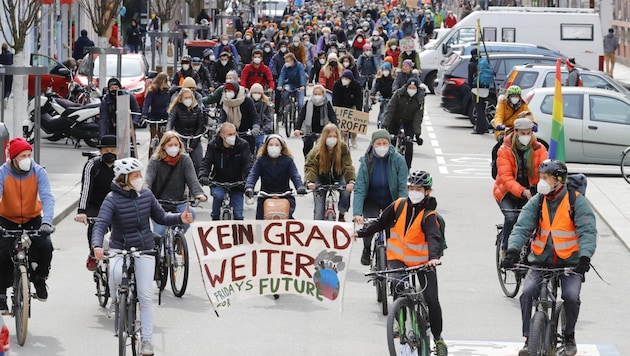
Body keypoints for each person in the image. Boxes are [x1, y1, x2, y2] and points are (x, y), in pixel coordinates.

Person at [92, 157, 193, 356]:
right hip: (119, 248)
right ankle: (116, 302)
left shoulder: (146, 195)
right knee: (113, 273)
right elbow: (101, 224)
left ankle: (147, 341)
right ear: (124, 178)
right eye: (136, 175)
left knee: (145, 296)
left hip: (145, 249)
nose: (140, 178)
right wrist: (96, 245)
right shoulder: (111, 198)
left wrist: (179, 218)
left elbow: (161, 217)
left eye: (140, 174)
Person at [501, 159, 597, 356]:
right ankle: (529, 339)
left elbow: (587, 231)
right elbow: (522, 227)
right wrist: (512, 251)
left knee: (571, 297)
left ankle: (569, 335)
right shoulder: (538, 200)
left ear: (559, 180)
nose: (540, 182)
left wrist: (584, 258)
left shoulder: (576, 201)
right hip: (540, 260)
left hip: (570, 263)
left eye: (545, 178)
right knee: (527, 292)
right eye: (540, 177)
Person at [355, 170, 448, 356]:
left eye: (419, 189)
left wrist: (433, 258)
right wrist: (360, 233)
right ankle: (400, 319)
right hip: (397, 258)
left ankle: (438, 339)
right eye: (411, 188)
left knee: (431, 300)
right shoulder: (398, 205)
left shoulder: (429, 215)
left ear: (427, 191)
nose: (414, 192)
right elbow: (381, 223)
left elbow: (433, 237)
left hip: (424, 262)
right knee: (398, 285)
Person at [0, 138, 55, 312]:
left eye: (29, 155)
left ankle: (40, 279)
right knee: (2, 254)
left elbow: (47, 197)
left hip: (33, 218)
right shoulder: (2, 172)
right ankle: (1, 294)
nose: (27, 158)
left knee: (46, 247)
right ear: (14, 158)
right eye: (23, 155)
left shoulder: (38, 171)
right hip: (7, 218)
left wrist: (47, 221)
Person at [493, 116, 548, 254]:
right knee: (512, 217)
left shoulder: (539, 148)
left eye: (529, 133)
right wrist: (523, 192)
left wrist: (543, 187)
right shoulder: (504, 149)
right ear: (516, 132)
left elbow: (546, 171)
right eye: (523, 133)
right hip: (507, 192)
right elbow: (506, 178)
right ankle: (506, 248)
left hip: (531, 191)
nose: (526, 136)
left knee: (537, 219)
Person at [353, 130, 408, 265]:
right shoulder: (366, 161)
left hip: (392, 200)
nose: (382, 146)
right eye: (378, 143)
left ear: (389, 144)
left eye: (385, 143)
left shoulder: (398, 160)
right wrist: (357, 213)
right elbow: (359, 188)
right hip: (372, 200)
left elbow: (403, 186)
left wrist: (402, 208)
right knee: (369, 227)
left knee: (393, 231)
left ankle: (392, 258)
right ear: (373, 144)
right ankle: (366, 248)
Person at [145, 131, 207, 237]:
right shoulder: (155, 161)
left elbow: (192, 180)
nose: (173, 147)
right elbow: (148, 180)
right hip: (159, 203)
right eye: (170, 145)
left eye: (176, 145)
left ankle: (178, 238)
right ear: (163, 146)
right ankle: (158, 252)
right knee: (159, 233)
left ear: (180, 146)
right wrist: (145, 194)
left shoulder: (185, 159)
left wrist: (199, 194)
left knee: (190, 213)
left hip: (179, 201)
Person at [75, 135, 118, 272]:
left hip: (115, 204)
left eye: (113, 150)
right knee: (94, 228)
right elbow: (86, 188)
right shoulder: (92, 165)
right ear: (100, 151)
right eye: (106, 150)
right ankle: (93, 253)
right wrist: (82, 211)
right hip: (95, 205)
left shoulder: (121, 166)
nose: (109, 153)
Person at [198, 122, 252, 221]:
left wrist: (249, 180)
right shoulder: (213, 145)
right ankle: (215, 219)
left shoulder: (243, 145)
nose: (233, 137)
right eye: (230, 134)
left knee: (238, 216)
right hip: (218, 182)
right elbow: (206, 163)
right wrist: (203, 176)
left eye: (234, 134)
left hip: (237, 184)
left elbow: (248, 164)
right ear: (222, 135)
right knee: (218, 197)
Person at [245, 134, 307, 219]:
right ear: (266, 146)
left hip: (285, 195)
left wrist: (300, 187)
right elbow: (253, 175)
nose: (274, 147)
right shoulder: (261, 161)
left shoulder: (288, 161)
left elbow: (295, 175)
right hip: (265, 196)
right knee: (259, 222)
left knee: (288, 220)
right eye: (271, 145)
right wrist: (249, 187)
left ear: (282, 147)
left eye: (277, 145)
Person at [304, 123, 355, 222]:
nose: (332, 139)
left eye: (335, 136)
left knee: (346, 192)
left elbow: (348, 165)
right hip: (320, 177)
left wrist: (351, 181)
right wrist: (310, 181)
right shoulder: (317, 150)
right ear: (324, 137)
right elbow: (310, 166)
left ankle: (341, 214)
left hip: (338, 175)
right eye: (329, 136)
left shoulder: (343, 147)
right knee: (319, 212)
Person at [383, 77, 425, 168]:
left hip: (409, 121)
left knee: (409, 145)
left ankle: (407, 168)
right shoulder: (398, 94)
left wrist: (417, 134)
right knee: (391, 143)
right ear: (406, 87)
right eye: (410, 87)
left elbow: (418, 116)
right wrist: (385, 125)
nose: (412, 90)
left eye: (414, 88)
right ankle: (387, 166)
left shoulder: (419, 98)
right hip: (395, 119)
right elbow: (390, 109)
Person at [166, 88, 206, 172]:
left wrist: (193, 144)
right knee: (179, 162)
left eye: (189, 97)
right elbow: (170, 121)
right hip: (181, 138)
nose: (188, 100)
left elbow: (200, 127)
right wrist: (169, 133)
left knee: (199, 163)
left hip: (195, 138)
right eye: (186, 98)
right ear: (181, 99)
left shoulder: (197, 109)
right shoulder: (176, 108)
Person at [217, 81, 261, 155]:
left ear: (236, 91)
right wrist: (219, 126)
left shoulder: (247, 101)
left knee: (248, 158)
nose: (228, 93)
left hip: (246, 134)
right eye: (226, 91)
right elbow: (222, 117)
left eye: (230, 91)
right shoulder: (224, 102)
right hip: (230, 135)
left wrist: (255, 127)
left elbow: (254, 117)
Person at [294, 84, 338, 156]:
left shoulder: (327, 104)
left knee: (322, 151)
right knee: (307, 150)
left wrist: (336, 128)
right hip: (309, 130)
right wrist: (297, 129)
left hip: (323, 131)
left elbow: (332, 116)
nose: (317, 95)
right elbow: (301, 116)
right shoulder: (308, 103)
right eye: (315, 94)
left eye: (319, 94)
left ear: (323, 94)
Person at [142, 72, 171, 157]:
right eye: (166, 81)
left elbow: (171, 104)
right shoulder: (152, 91)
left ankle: (163, 157)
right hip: (154, 117)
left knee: (163, 139)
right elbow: (146, 104)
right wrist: (144, 115)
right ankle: (150, 158)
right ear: (162, 81)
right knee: (153, 139)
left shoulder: (168, 92)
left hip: (164, 118)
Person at [332, 70, 363, 148]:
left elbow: (359, 99)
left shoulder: (356, 85)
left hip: (352, 105)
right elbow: (335, 99)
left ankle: (353, 138)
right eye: (343, 78)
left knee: (354, 118)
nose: (344, 80)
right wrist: (337, 110)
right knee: (340, 123)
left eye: (347, 79)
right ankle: (340, 138)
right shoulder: (337, 85)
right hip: (340, 105)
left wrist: (359, 112)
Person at [468, 48, 489, 135]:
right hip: (485, 87)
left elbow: (470, 77)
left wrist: (470, 87)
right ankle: (485, 127)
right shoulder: (485, 62)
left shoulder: (472, 64)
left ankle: (480, 129)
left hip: (476, 88)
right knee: (482, 109)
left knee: (478, 109)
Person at [249, 83, 273, 151]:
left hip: (261, 129)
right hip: (249, 130)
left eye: (258, 93)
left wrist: (267, 128)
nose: (256, 94)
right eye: (255, 92)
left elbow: (268, 118)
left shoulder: (265, 104)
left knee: (260, 144)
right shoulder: (247, 103)